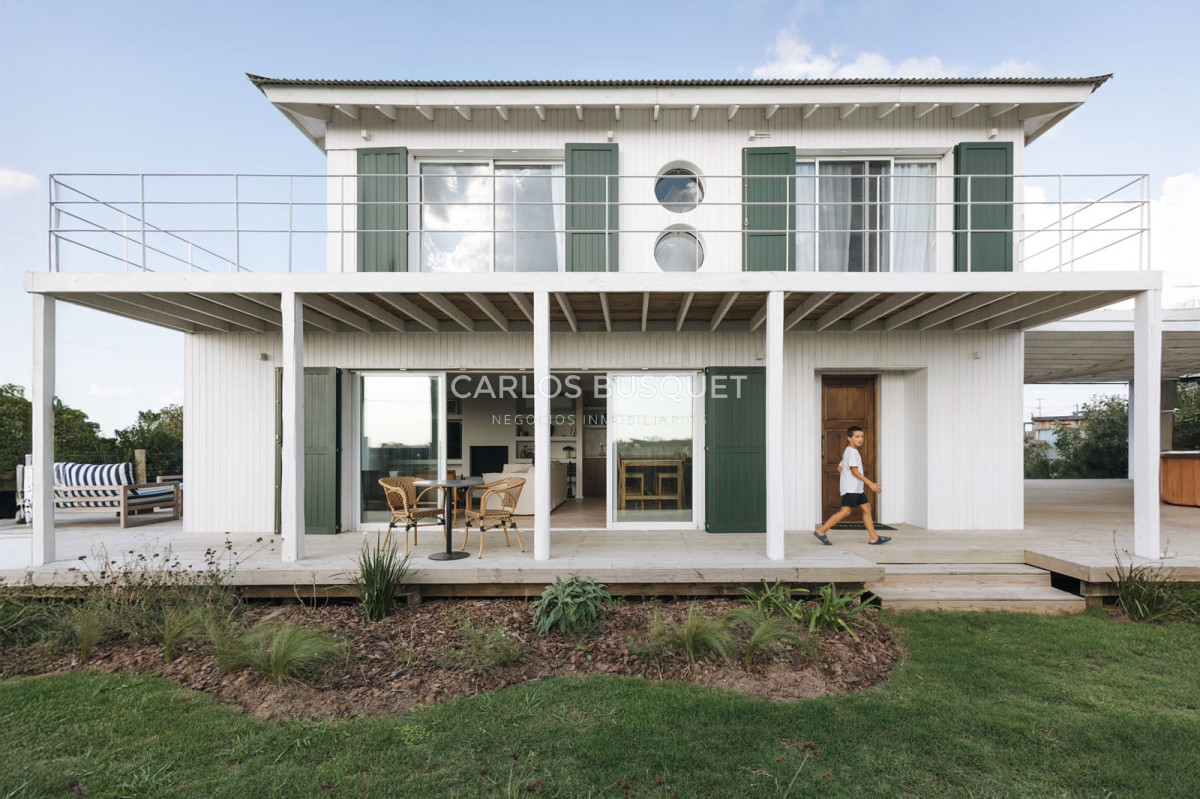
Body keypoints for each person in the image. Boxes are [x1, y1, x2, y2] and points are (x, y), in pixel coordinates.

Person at [813, 426, 889, 545]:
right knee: (846, 511)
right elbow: (854, 471)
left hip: (856, 488)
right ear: (849, 438)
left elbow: (839, 468)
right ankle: (821, 531)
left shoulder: (849, 451)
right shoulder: (852, 452)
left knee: (866, 508)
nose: (860, 439)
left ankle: (874, 538)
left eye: (862, 436)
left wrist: (846, 477)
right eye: (857, 437)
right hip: (851, 488)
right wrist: (871, 484)